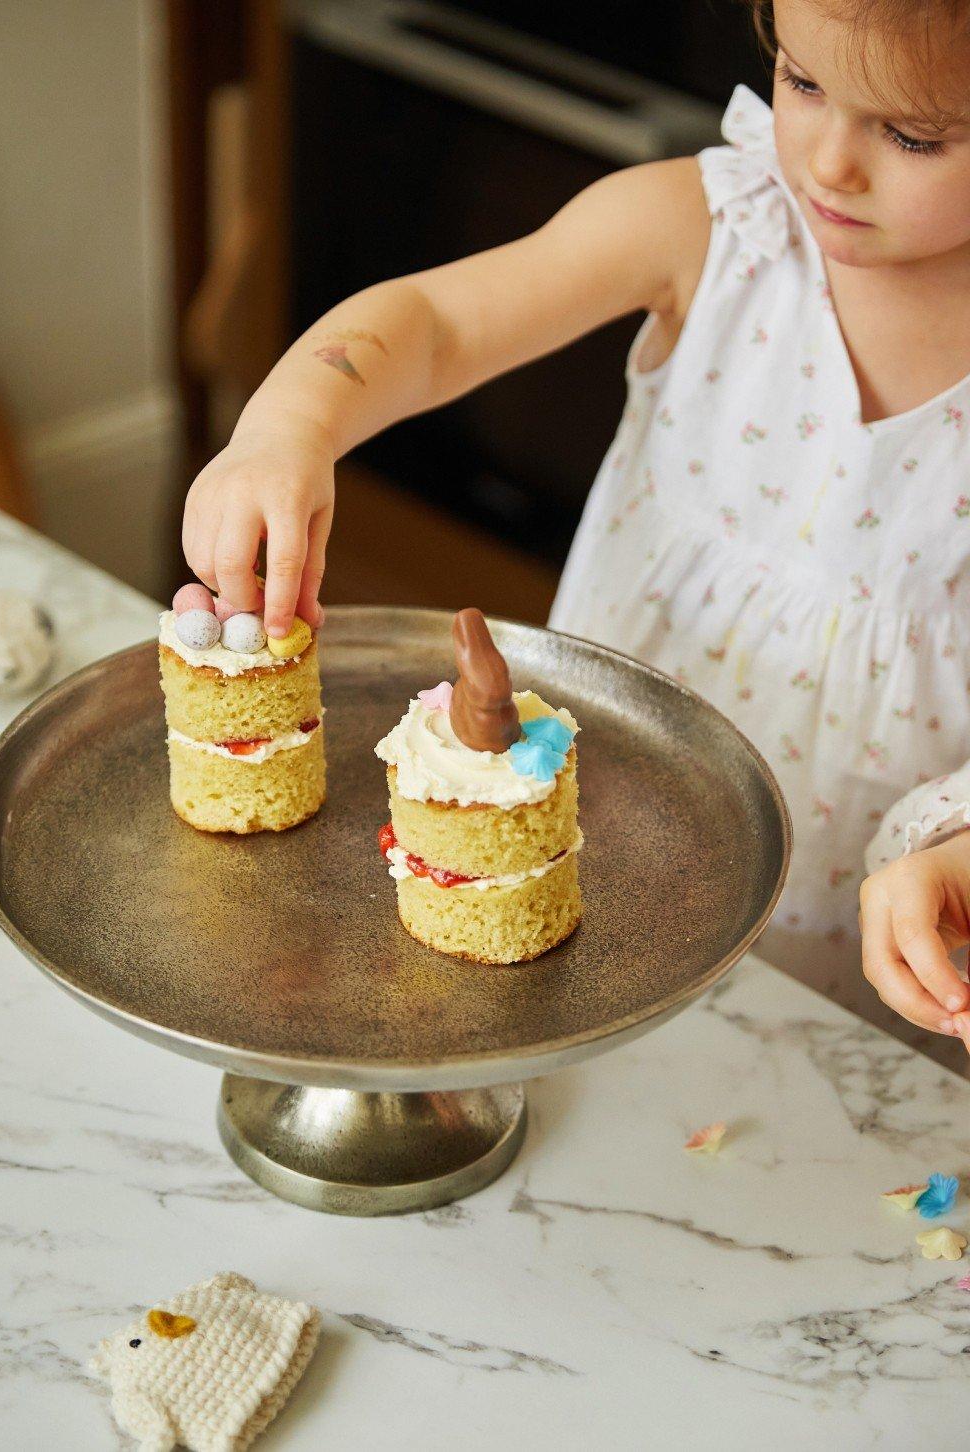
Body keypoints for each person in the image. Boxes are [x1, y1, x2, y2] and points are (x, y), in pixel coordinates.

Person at [181, 0, 970, 1069]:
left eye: (912, 135)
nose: (827, 162)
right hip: (582, 861)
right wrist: (288, 427)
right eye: (801, 81)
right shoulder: (710, 228)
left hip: (851, 941)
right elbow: (437, 324)